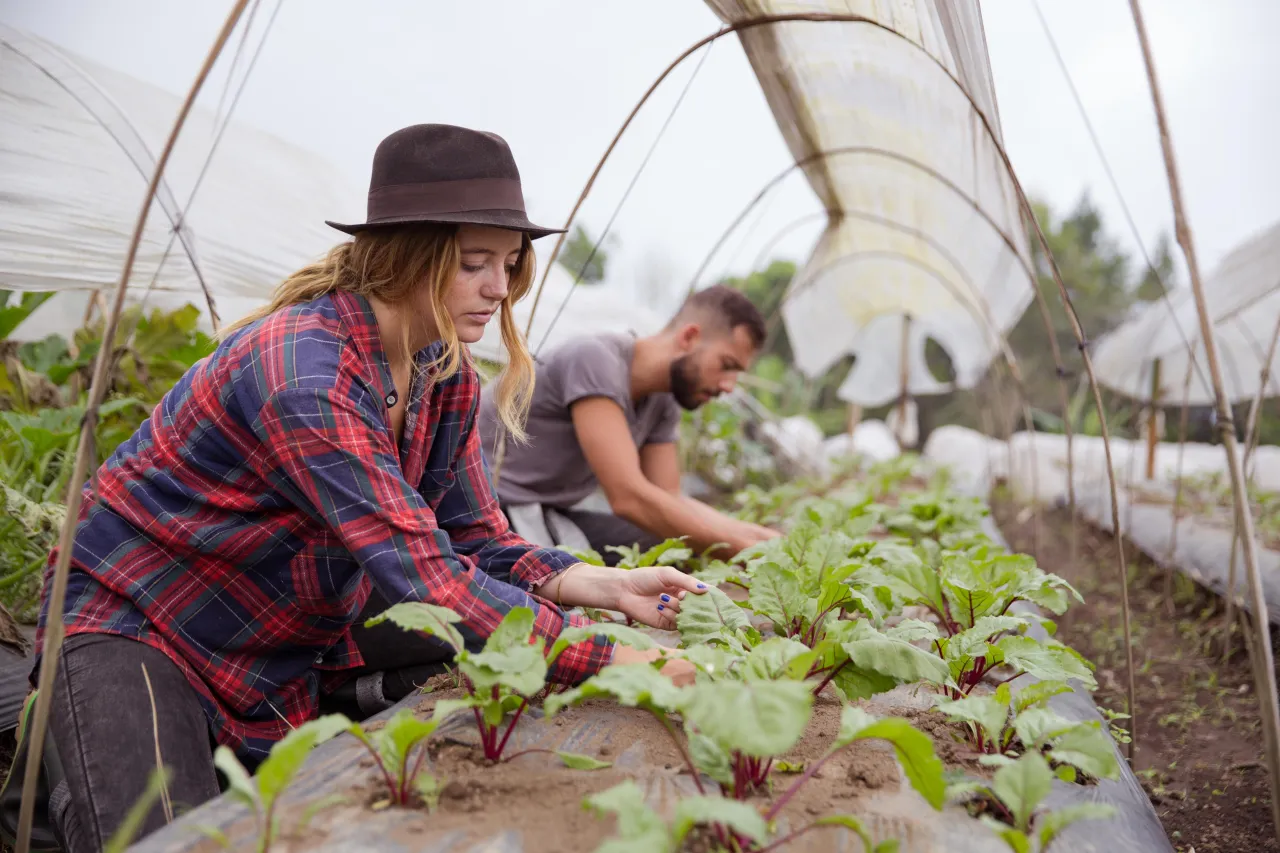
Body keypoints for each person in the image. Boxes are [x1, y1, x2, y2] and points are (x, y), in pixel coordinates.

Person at [16, 124, 702, 853]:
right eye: (474, 263)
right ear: (407, 257)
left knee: (464, 653)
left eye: (508, 263)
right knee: (159, 837)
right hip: (145, 620)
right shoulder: (308, 373)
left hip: (276, 622)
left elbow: (474, 536)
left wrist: (598, 585)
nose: (498, 288)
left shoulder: (445, 375)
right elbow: (425, 573)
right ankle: (46, 776)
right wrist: (608, 658)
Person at [480, 284, 781, 563]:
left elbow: (670, 497)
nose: (729, 386)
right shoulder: (594, 360)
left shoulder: (663, 400)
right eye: (727, 366)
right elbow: (628, 497)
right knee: (670, 544)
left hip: (547, 513)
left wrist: (762, 539)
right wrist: (746, 551)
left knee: (672, 540)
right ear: (689, 337)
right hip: (486, 510)